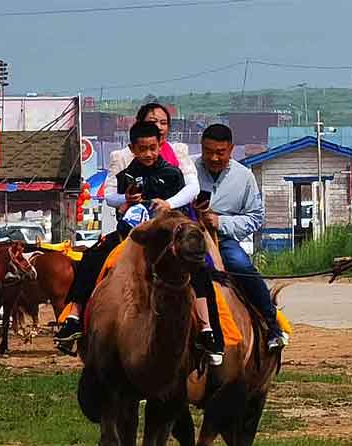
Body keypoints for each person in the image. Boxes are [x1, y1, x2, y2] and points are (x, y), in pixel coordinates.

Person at [56, 121, 224, 363]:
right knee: (92, 257)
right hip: (132, 236)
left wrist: (168, 205)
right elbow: (113, 201)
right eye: (142, 149)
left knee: (198, 267)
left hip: (168, 238)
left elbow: (186, 202)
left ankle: (209, 332)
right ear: (132, 149)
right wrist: (126, 200)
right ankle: (74, 317)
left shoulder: (173, 175)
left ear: (160, 146)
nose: (148, 154)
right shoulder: (126, 176)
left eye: (153, 148)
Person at [193, 123, 286, 352]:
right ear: (201, 147)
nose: (214, 158)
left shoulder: (244, 177)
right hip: (188, 239)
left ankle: (272, 326)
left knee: (242, 266)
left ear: (231, 149)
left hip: (222, 239)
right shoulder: (188, 169)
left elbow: (255, 218)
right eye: (208, 151)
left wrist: (221, 223)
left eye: (220, 152)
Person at [104, 102, 199, 217]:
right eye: (153, 122)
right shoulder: (121, 157)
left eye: (163, 123)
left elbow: (193, 187)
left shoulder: (178, 152)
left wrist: (168, 204)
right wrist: (127, 198)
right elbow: (109, 196)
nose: (158, 127)